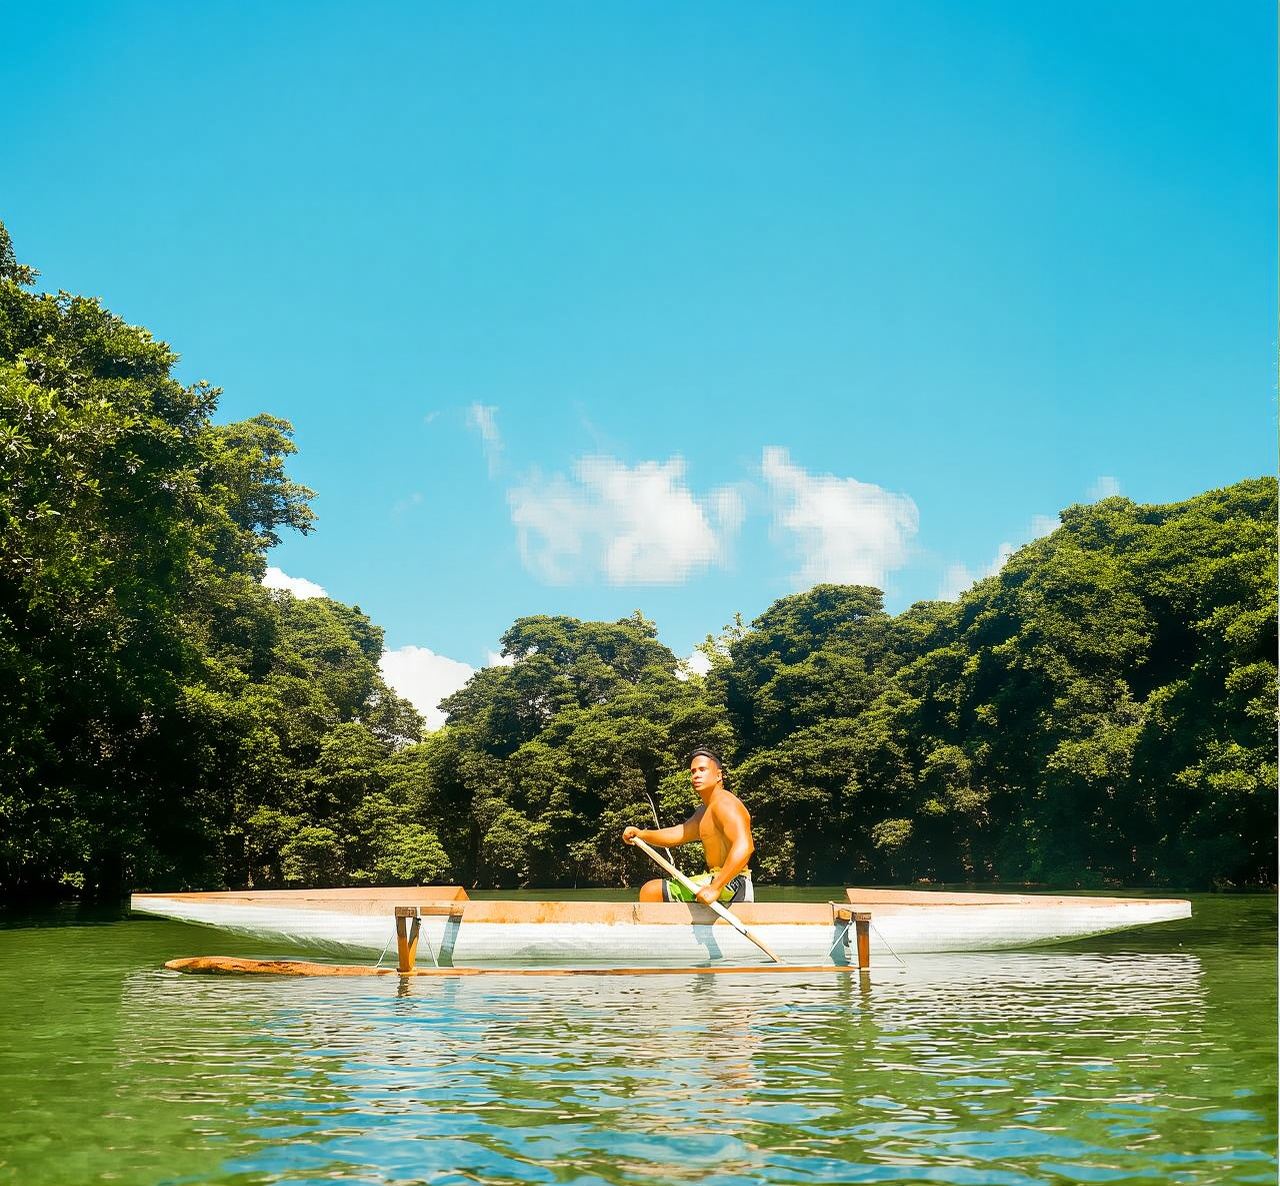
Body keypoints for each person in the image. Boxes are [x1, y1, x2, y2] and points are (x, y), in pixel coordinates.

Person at [622, 748, 755, 905]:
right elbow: (678, 834)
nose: (696, 775)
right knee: (652, 891)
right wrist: (641, 834)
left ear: (719, 775)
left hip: (733, 883)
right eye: (693, 771)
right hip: (715, 880)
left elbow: (745, 846)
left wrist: (716, 887)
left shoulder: (725, 803)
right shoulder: (703, 811)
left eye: (702, 770)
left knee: (651, 891)